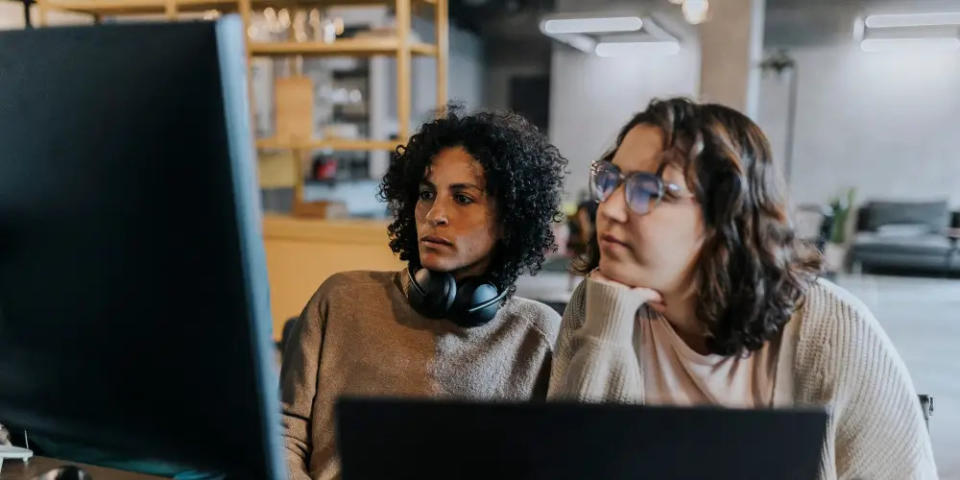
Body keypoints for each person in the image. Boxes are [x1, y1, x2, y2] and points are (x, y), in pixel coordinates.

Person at [548, 98, 937, 479]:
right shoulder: (598, 302)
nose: (611, 209)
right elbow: (565, 464)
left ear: (726, 215)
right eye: (610, 181)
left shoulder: (831, 331)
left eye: (650, 191)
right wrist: (605, 332)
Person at [281, 108, 567, 480]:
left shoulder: (538, 335)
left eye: (463, 198)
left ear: (509, 219)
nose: (435, 214)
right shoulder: (342, 299)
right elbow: (284, 434)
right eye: (427, 194)